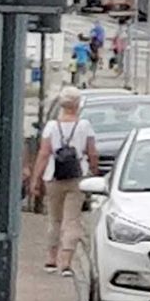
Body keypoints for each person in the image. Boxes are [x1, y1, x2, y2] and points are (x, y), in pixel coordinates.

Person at [30, 87, 98, 276]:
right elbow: (92, 152)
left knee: (54, 219)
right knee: (72, 220)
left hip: (53, 176)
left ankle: (51, 260)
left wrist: (36, 179)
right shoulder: (84, 126)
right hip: (77, 177)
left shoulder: (51, 127)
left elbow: (44, 154)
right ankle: (66, 263)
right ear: (77, 104)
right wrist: (94, 170)